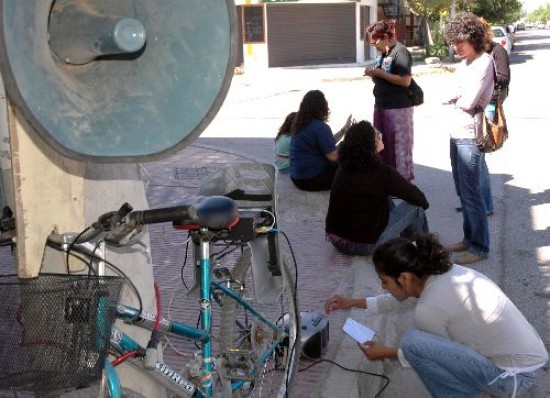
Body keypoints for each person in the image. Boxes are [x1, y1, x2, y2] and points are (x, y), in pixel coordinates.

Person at [324, 234, 548, 398]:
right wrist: (352, 303)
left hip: (514, 380)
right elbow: (398, 299)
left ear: (404, 278)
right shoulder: (443, 275)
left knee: (413, 343)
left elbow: (433, 355)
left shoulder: (429, 308)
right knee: (417, 345)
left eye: (385, 281)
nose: (383, 288)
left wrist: (386, 352)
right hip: (530, 362)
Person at [325, 120, 429, 256]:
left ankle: (406, 245)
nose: (380, 136)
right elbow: (420, 199)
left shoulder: (343, 167)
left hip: (337, 240)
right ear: (370, 144)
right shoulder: (382, 172)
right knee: (416, 209)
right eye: (377, 135)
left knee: (383, 198)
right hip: (362, 245)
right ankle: (421, 253)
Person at [442, 11, 494, 264]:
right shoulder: (465, 65)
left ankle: (480, 247)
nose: (456, 47)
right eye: (453, 42)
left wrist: (459, 96)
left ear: (473, 38)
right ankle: (468, 238)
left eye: (460, 42)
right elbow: (451, 94)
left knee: (472, 194)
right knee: (463, 192)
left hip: (470, 135)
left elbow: (470, 100)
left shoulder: (485, 62)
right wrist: (459, 95)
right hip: (456, 132)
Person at [455, 18, 511, 216]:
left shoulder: (496, 51)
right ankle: (473, 201)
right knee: (476, 161)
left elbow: (504, 77)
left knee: (479, 158)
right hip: (473, 106)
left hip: (487, 104)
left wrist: (484, 80)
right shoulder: (470, 56)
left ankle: (484, 204)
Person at [363, 19, 416, 182]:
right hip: (381, 105)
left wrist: (380, 74)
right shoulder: (383, 54)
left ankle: (403, 182)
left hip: (398, 108)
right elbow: (384, 77)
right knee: (381, 145)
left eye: (375, 42)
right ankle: (387, 181)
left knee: (399, 148)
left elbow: (405, 80)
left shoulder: (401, 52)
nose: (374, 46)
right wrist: (374, 74)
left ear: (385, 36)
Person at [289, 90, 352, 191]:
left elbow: (327, 143)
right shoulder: (320, 126)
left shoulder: (301, 123)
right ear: (321, 106)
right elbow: (334, 156)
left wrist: (344, 130)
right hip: (309, 179)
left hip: (296, 176)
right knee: (351, 171)